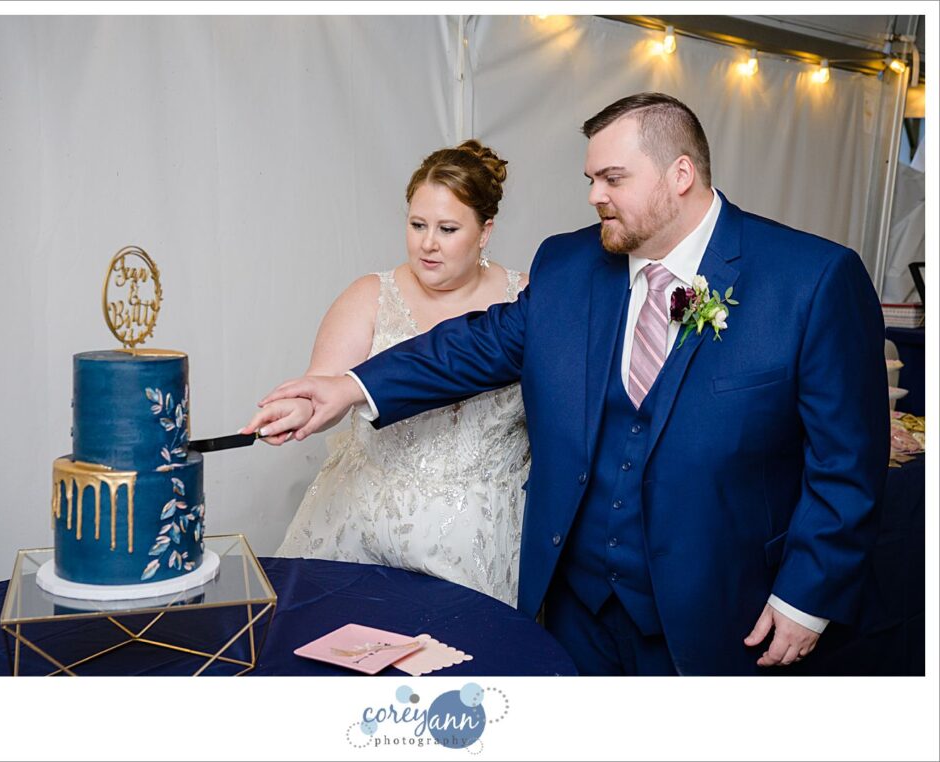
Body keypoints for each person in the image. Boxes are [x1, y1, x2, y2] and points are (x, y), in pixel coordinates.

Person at [255, 93, 891, 676]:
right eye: (591, 179)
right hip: (574, 605)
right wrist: (351, 387)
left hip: (719, 608)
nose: (594, 196)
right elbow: (474, 344)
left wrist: (807, 596)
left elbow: (848, 461)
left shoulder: (810, 279)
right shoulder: (569, 264)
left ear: (680, 175)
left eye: (613, 179)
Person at [244, 140, 530, 607]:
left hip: (479, 535)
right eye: (417, 225)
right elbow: (327, 384)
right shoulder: (370, 294)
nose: (428, 243)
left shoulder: (527, 300)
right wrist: (297, 406)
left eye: (448, 228)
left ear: (485, 231)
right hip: (361, 525)